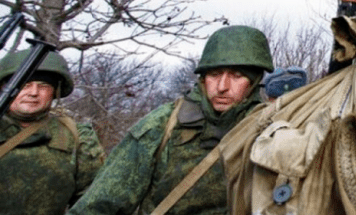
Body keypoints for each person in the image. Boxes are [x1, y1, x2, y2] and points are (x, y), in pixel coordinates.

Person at [68, 25, 274, 215]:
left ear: (253, 82)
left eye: (237, 76)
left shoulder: (270, 131)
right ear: (203, 78)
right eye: (214, 74)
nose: (222, 86)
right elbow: (102, 202)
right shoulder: (163, 124)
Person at [0, 50, 105, 215]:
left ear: (54, 92)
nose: (33, 92)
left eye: (43, 86)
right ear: (4, 88)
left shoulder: (76, 136)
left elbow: (94, 201)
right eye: (25, 85)